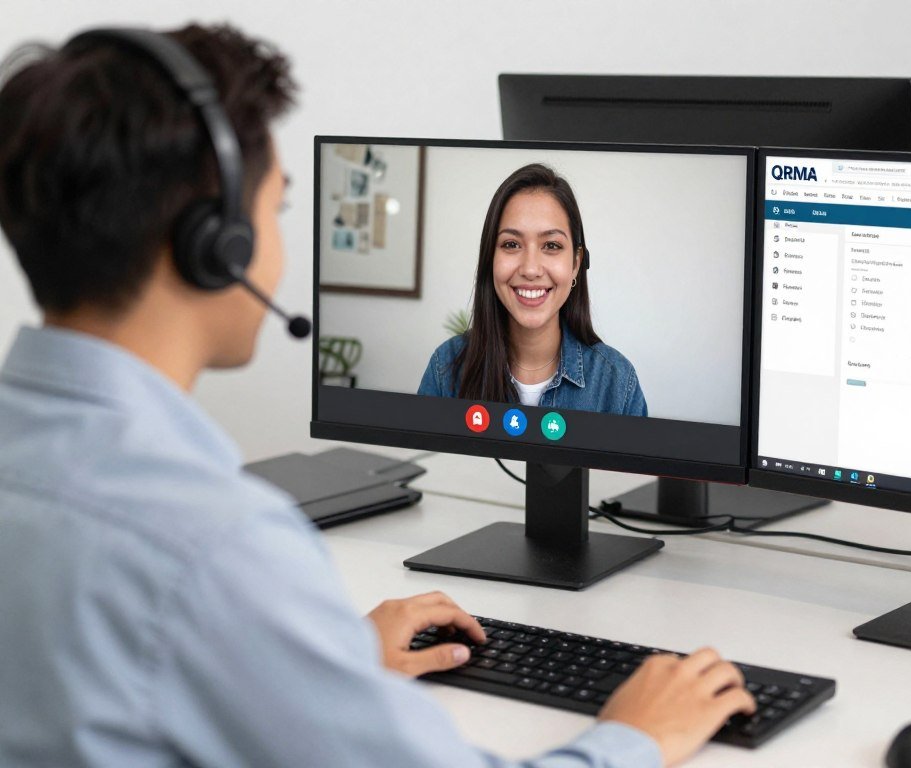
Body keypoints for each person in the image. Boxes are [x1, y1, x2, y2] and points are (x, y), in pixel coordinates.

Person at [0, 24, 751, 767]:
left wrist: (316, 662)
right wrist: (637, 737)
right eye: (276, 209)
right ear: (215, 241)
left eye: (553, 245)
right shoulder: (218, 547)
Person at [417, 164, 648, 416]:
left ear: (576, 264)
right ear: (489, 259)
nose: (530, 269)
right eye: (512, 244)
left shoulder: (617, 382)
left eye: (551, 245)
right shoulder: (446, 368)